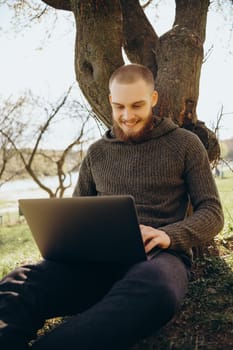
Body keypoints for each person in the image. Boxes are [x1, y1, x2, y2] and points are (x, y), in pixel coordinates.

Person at [0, 64, 224, 350]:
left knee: (157, 292)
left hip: (158, 261)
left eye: (137, 105)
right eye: (119, 106)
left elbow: (212, 211)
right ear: (109, 101)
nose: (127, 116)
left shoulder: (185, 144)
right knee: (17, 282)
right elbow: (76, 213)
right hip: (95, 265)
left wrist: (169, 235)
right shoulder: (96, 153)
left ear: (153, 99)